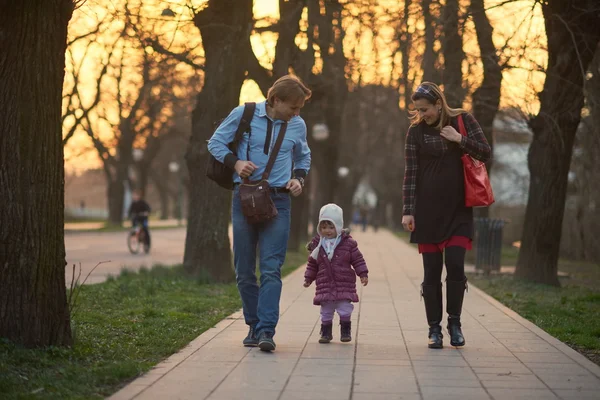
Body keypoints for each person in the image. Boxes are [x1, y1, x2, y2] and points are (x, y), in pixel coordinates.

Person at [208, 75, 312, 352]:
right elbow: (215, 143)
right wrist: (236, 162)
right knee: (243, 269)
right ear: (275, 99)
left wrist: (299, 179)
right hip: (245, 198)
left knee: (270, 268)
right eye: (293, 107)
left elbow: (303, 156)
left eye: (300, 109)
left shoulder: (297, 125)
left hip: (279, 201)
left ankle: (266, 330)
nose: (297, 113)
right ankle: (253, 324)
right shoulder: (245, 114)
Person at [402, 82, 491, 349]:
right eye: (418, 109)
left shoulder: (463, 120)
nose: (422, 114)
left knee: (455, 264)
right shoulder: (415, 132)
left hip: (458, 210)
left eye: (425, 109)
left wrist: (459, 139)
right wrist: (408, 211)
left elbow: (486, 152)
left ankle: (455, 323)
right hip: (427, 211)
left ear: (439, 104)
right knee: (431, 272)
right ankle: (434, 330)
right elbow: (411, 173)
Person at [304, 204, 368, 344]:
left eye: (331, 227)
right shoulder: (317, 245)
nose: (327, 231)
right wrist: (308, 278)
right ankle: (326, 333)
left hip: (344, 282)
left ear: (338, 226)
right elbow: (312, 264)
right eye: (324, 227)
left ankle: (345, 330)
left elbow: (357, 259)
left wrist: (362, 273)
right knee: (326, 311)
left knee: (345, 309)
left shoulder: (348, 243)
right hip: (325, 283)